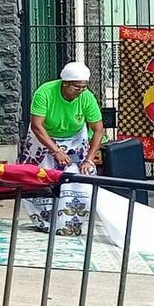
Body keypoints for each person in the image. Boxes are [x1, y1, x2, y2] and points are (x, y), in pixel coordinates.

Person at [19, 62, 105, 235]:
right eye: (77, 87)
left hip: (74, 138)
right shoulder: (45, 92)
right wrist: (56, 151)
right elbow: (37, 126)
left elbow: (98, 129)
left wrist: (88, 159)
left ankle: (70, 223)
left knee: (79, 176)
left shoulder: (86, 97)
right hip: (43, 136)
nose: (80, 91)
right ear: (65, 83)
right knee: (38, 174)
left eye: (84, 87)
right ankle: (45, 221)